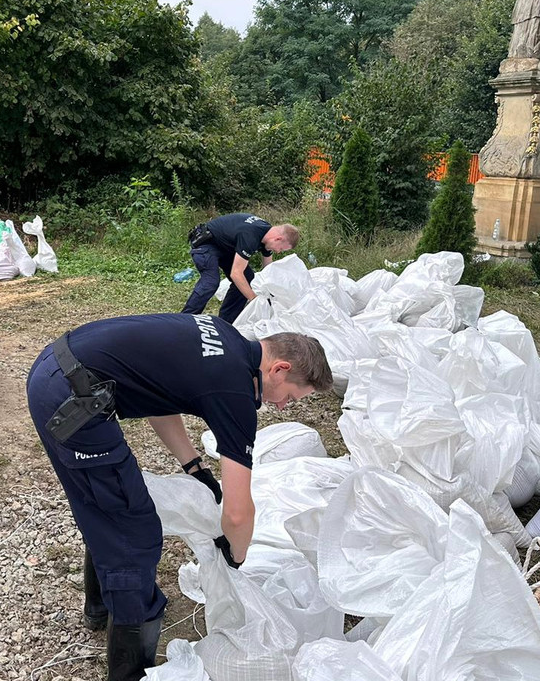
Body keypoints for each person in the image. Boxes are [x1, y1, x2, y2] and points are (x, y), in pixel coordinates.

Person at [25, 314, 332, 681]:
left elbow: (159, 395)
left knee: (108, 506)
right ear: (280, 369)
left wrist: (194, 467)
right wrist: (235, 555)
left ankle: (99, 609)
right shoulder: (235, 391)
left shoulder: (225, 337)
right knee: (132, 532)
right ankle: (129, 670)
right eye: (291, 397)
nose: (283, 406)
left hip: (58, 368)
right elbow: (237, 513)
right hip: (72, 401)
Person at [181, 214, 299, 322]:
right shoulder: (250, 236)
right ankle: (184, 321)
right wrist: (254, 300)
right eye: (281, 249)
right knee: (211, 281)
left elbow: (267, 270)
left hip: (225, 248)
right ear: (277, 239)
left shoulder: (267, 234)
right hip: (206, 244)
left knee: (247, 277)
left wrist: (273, 294)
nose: (278, 252)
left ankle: (225, 322)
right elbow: (236, 274)